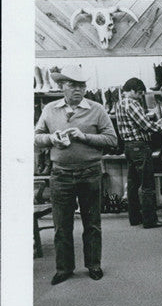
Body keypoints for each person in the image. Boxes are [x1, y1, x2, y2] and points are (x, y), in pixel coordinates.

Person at [33, 62, 118, 285]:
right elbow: (37, 137)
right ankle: (64, 268)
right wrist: (52, 139)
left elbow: (112, 139)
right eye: (72, 85)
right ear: (62, 86)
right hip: (60, 174)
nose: (78, 89)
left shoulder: (97, 110)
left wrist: (84, 136)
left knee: (92, 223)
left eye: (81, 85)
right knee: (62, 225)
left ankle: (93, 264)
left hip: (90, 173)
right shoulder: (50, 110)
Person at [113, 78, 162, 229]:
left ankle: (134, 217)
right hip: (139, 146)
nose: (140, 96)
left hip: (128, 147)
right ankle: (150, 220)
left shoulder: (119, 103)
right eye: (139, 93)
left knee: (132, 183)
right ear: (132, 90)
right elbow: (145, 125)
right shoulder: (132, 103)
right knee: (147, 184)